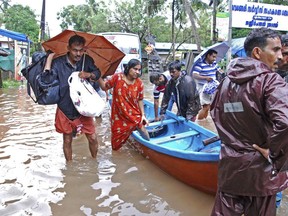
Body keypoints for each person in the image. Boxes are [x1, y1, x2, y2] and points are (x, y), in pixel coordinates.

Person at [210, 27, 288, 216]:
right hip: (260, 173)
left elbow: (215, 114)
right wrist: (275, 156)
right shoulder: (271, 81)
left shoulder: (225, 82)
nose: (280, 56)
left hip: (230, 168)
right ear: (257, 52)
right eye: (276, 50)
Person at [41, 35, 101, 162]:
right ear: (68, 48)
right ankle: (69, 165)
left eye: (81, 50)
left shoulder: (87, 60)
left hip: (84, 108)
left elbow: (98, 73)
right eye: (75, 50)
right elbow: (46, 80)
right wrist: (49, 59)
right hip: (65, 107)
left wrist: (89, 74)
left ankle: (95, 162)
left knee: (93, 137)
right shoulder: (58, 63)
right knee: (67, 139)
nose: (78, 54)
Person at [97, 59, 150, 150]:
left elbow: (140, 99)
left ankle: (149, 146)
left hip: (133, 114)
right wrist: (97, 75)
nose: (137, 72)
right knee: (115, 146)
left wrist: (143, 115)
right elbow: (104, 87)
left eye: (139, 70)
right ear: (128, 68)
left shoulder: (139, 83)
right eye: (135, 69)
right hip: (118, 115)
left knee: (143, 128)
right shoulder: (117, 77)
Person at [192, 49, 223, 120]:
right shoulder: (199, 64)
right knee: (206, 106)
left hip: (212, 87)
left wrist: (221, 71)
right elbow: (195, 75)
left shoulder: (214, 63)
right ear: (208, 55)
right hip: (203, 87)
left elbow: (219, 70)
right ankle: (199, 123)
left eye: (215, 57)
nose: (214, 59)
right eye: (213, 57)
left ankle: (204, 122)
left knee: (210, 106)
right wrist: (205, 78)